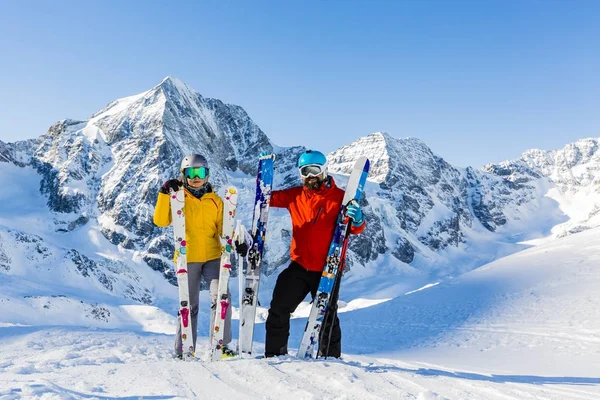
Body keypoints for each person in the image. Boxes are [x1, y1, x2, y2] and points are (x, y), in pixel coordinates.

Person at [259, 149, 366, 358]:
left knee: (327, 315)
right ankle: (274, 354)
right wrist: (264, 172)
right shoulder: (295, 195)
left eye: (314, 170)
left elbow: (353, 228)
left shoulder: (340, 198)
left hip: (328, 269)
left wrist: (359, 219)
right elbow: (265, 198)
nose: (310, 176)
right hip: (299, 265)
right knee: (279, 307)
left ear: (324, 170)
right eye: (305, 171)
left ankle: (330, 357)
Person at [153, 153, 235, 358]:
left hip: (213, 256)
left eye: (200, 172)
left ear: (207, 174)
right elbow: (161, 221)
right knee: (188, 304)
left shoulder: (215, 201)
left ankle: (221, 345)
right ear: (183, 175)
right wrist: (164, 194)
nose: (196, 177)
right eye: (191, 173)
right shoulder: (177, 198)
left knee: (222, 297)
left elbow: (223, 229)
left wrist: (235, 240)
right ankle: (183, 349)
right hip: (187, 257)